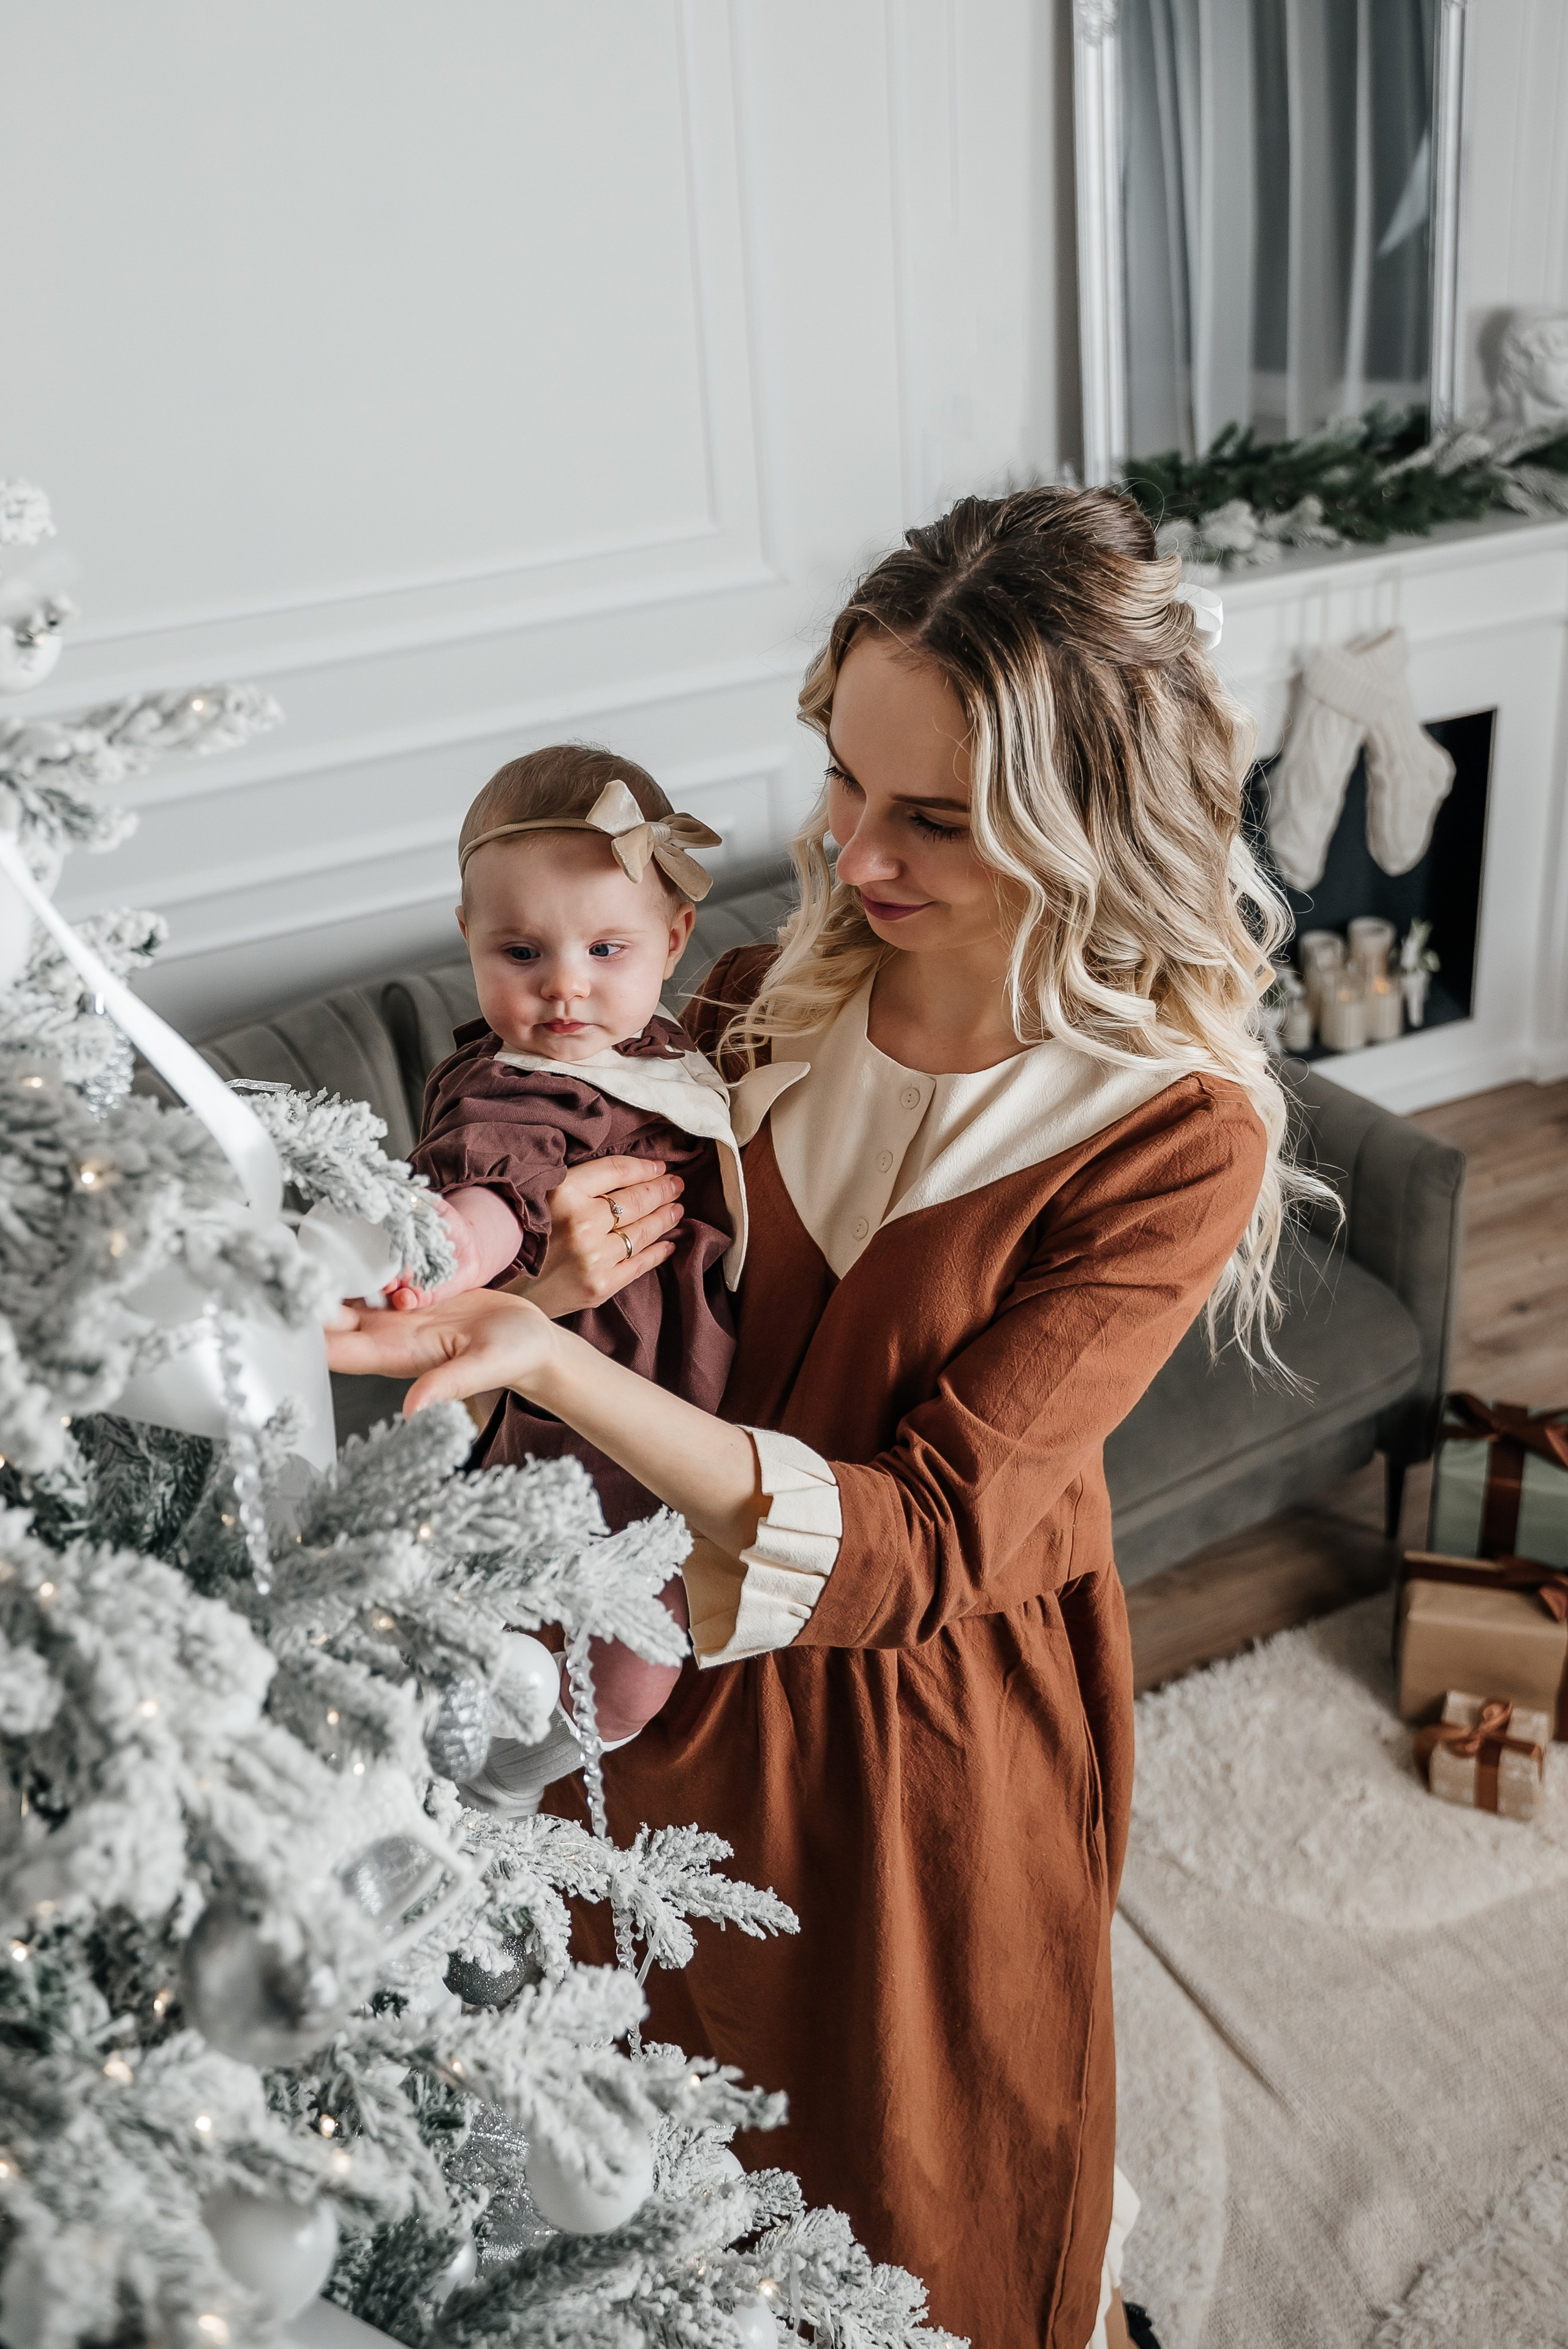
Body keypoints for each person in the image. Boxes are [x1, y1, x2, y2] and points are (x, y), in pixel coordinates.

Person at [330, 488, 1305, 2348]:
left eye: (933, 817)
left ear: (1084, 823)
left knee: (929, 2189)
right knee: (671, 2174)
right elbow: (600, 1287)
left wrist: (557, 1362)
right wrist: (527, 1294)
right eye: (845, 780)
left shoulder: (1173, 1130)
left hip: (929, 1727)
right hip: (669, 1671)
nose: (854, 849)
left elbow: (929, 1535)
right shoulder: (756, 1002)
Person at [398, 743, 746, 1747]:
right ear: (467, 939)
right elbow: (498, 1177)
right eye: (521, 954)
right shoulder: (514, 1084)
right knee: (621, 1674)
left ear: (675, 938)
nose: (565, 991)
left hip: (690, 1416)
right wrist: (454, 1245)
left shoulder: (670, 1054)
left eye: (606, 951)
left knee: (639, 1631)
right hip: (587, 1418)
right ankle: (516, 1769)